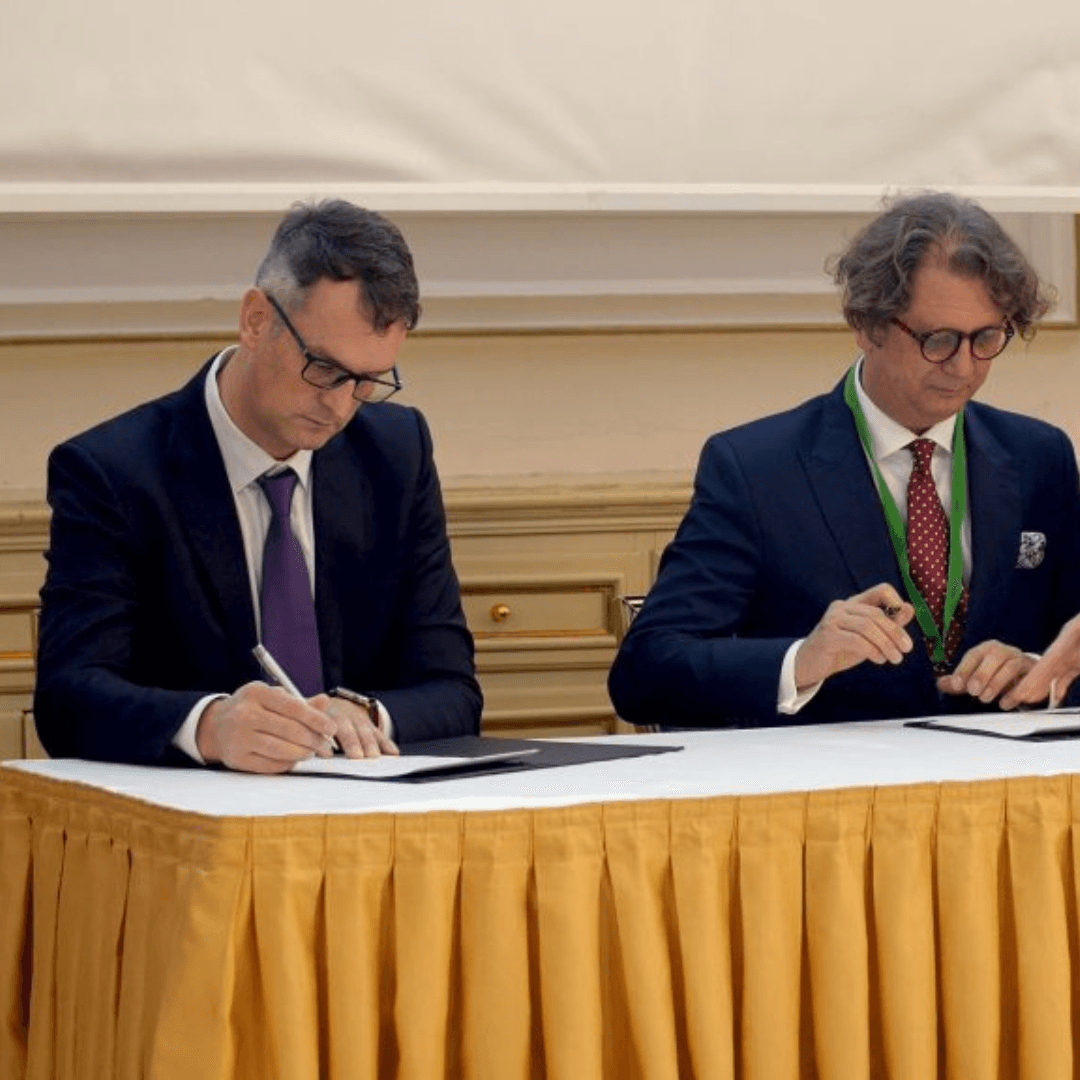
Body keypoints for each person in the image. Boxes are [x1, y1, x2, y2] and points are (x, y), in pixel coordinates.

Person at [34, 200, 481, 771]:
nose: (341, 406)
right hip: (191, 817)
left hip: (363, 809)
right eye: (324, 368)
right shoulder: (112, 471)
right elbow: (68, 701)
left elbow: (453, 691)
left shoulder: (396, 452)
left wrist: (365, 714)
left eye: (368, 381)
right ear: (255, 320)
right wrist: (209, 726)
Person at [609, 191, 1080, 728]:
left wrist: (1041, 669)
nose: (964, 367)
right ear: (865, 324)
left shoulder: (1040, 456)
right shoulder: (755, 469)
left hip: (1007, 776)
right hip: (828, 776)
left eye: (988, 337)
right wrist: (802, 660)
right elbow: (645, 673)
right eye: (939, 339)